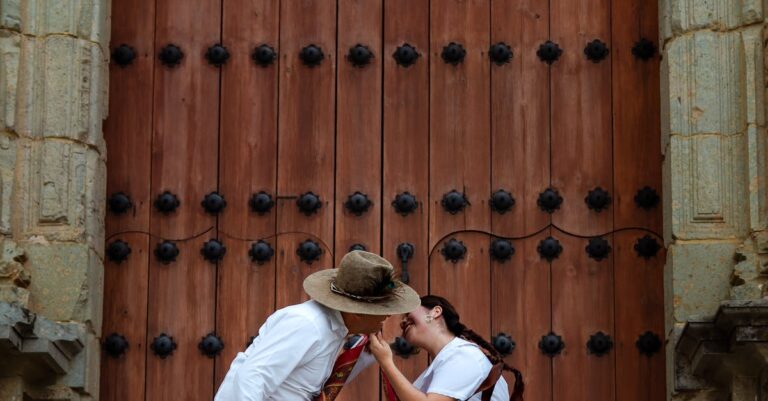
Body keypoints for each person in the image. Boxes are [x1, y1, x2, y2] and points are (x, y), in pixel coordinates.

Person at [215, 250, 421, 401]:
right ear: (358, 311)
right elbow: (251, 377)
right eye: (382, 310)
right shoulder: (307, 324)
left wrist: (367, 355)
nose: (387, 316)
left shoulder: (337, 329)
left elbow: (310, 384)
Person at [369, 295, 524, 401]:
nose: (403, 321)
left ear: (435, 312)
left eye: (408, 313)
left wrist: (386, 362)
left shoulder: (463, 355)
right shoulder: (445, 362)